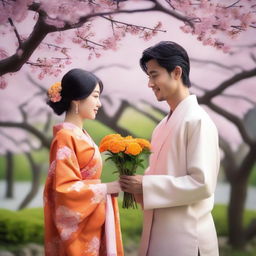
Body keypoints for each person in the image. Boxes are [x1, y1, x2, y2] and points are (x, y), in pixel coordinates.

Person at [120, 41, 220, 256]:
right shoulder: (162, 125)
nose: (150, 83)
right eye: (149, 76)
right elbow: (157, 176)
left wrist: (146, 184)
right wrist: (136, 186)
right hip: (161, 234)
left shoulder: (198, 121)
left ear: (176, 72)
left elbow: (202, 184)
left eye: (154, 75)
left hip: (189, 239)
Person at [44, 68, 124, 256]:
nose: (99, 103)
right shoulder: (65, 137)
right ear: (77, 99)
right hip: (80, 230)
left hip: (91, 220)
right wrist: (106, 188)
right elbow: (63, 190)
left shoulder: (79, 135)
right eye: (95, 96)